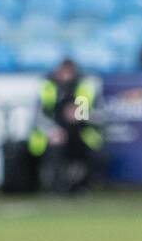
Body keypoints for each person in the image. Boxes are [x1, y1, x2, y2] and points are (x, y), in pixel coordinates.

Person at [27, 57, 104, 193]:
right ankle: (56, 187)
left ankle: (81, 185)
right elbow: (39, 116)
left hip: (81, 133)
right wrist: (52, 131)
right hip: (55, 134)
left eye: (69, 72)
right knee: (56, 149)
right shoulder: (49, 87)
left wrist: (80, 115)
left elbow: (99, 116)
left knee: (94, 153)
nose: (66, 76)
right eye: (63, 72)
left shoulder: (84, 87)